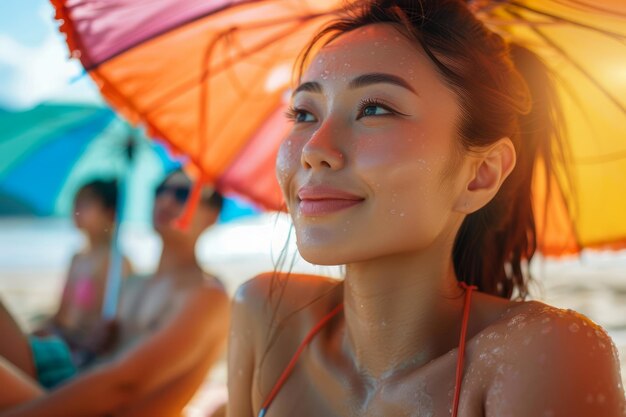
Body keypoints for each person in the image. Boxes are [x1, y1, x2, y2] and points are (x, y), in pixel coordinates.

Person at [228, 1, 625, 416]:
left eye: (374, 109)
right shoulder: (266, 315)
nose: (313, 150)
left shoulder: (539, 354)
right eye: (304, 113)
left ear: (480, 176)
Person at [0, 170, 229, 417]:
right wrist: (95, 347)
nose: (165, 200)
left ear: (212, 215)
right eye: (160, 190)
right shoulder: (134, 284)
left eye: (183, 194)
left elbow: (124, 385)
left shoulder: (206, 296)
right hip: (74, 384)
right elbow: (103, 365)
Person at [35, 179, 132, 367]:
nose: (76, 210)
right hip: (64, 344)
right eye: (75, 202)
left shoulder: (116, 263)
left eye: (86, 203)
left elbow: (111, 330)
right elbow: (60, 315)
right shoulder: (77, 258)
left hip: (84, 358)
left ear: (110, 213)